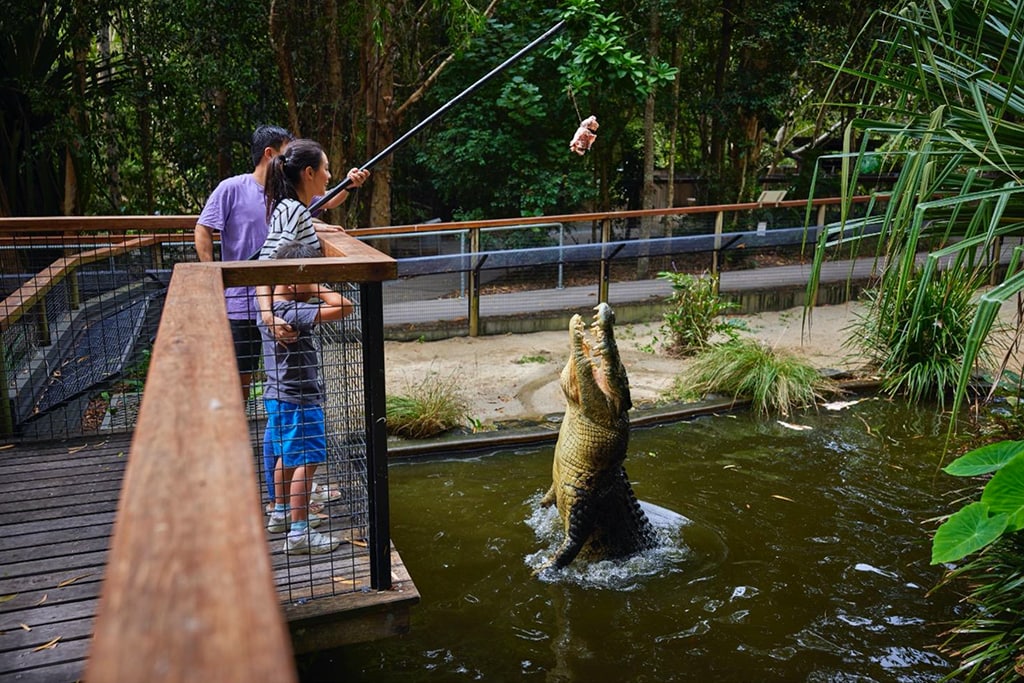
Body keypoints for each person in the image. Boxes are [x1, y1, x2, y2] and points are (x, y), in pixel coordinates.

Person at [261, 241, 355, 554]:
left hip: (277, 395)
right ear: (291, 280)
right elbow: (344, 306)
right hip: (299, 399)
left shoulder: (270, 310)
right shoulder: (291, 309)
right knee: (307, 460)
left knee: (286, 458)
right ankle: (299, 533)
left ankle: (280, 514)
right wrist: (317, 286)